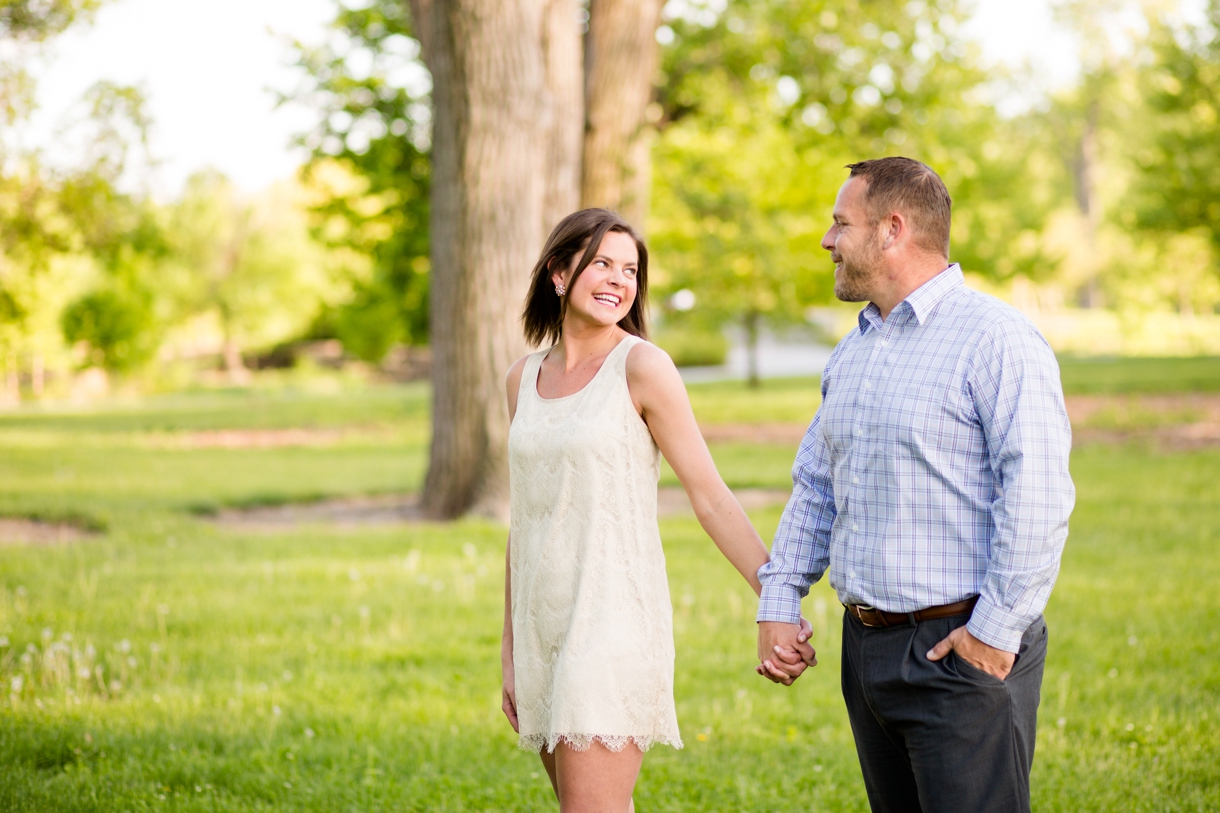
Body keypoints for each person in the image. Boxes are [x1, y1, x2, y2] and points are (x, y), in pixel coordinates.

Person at [755, 157, 1075, 813]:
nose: (827, 240)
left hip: (958, 646)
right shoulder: (855, 349)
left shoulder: (998, 340)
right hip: (866, 650)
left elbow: (1038, 498)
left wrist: (992, 632)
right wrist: (779, 597)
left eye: (840, 223)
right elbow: (818, 485)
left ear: (892, 228)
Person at [501, 208, 810, 812]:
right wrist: (510, 651)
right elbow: (526, 518)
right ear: (559, 275)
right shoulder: (521, 378)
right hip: (544, 631)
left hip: (610, 622)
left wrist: (777, 595)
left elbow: (710, 496)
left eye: (631, 270)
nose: (619, 280)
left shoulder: (642, 367)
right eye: (602, 264)